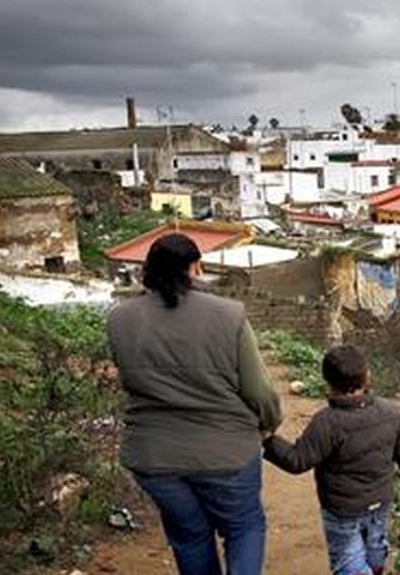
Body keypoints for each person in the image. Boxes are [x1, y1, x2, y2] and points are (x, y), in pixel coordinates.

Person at [108, 233, 281, 575]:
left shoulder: (119, 319)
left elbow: (131, 382)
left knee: (189, 537)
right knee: (243, 527)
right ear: (195, 268)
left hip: (154, 458)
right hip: (226, 453)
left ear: (148, 271)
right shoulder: (228, 314)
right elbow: (258, 389)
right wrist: (268, 422)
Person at [263, 344, 400, 575]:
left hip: (343, 510)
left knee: (349, 561)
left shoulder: (327, 422)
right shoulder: (389, 412)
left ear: (327, 382)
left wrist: (268, 440)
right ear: (367, 376)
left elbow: (297, 460)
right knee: (376, 549)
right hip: (381, 501)